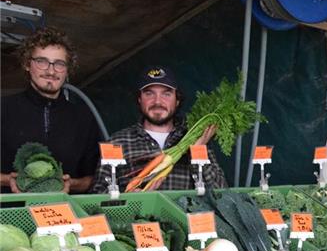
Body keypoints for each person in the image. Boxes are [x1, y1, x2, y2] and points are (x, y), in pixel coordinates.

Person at [90, 66, 227, 193]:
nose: (157, 101)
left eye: (166, 94)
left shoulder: (198, 139)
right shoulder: (117, 142)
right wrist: (127, 199)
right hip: (136, 219)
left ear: (177, 100)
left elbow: (221, 194)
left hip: (184, 218)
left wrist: (196, 152)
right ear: (139, 99)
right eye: (149, 94)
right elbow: (96, 195)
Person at [1, 27, 102, 193]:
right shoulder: (4, 109)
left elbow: (93, 177)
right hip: (9, 213)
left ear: (67, 70)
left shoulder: (83, 117)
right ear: (27, 64)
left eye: (59, 64)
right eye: (41, 61)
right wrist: (8, 180)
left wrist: (71, 184)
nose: (50, 71)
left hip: (65, 214)